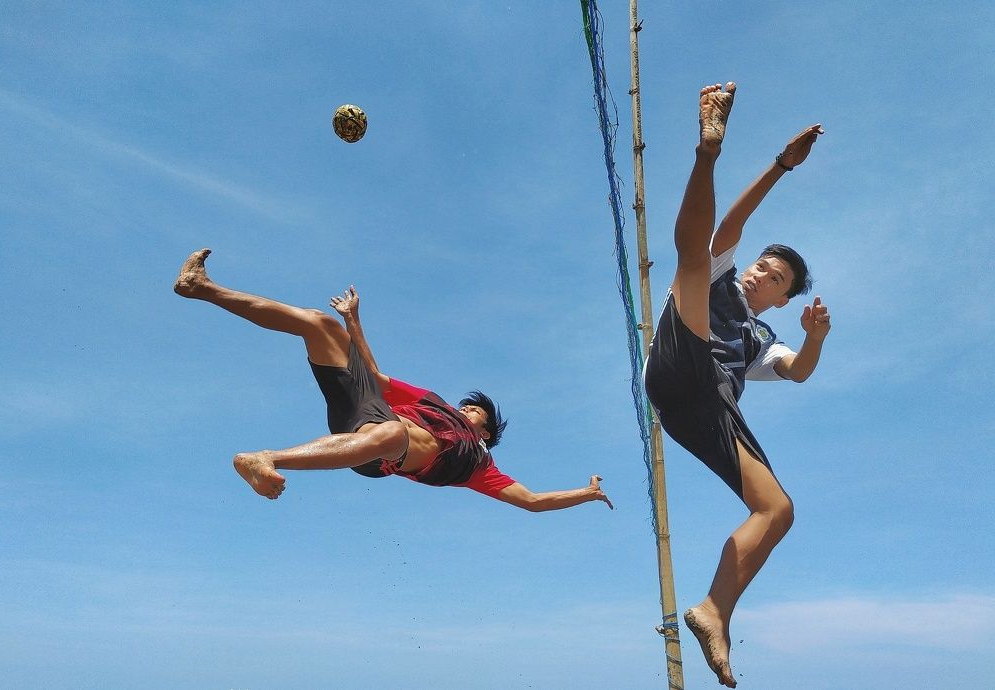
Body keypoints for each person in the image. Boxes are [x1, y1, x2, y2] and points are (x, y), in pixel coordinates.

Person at [174, 249, 613, 512]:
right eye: (466, 406)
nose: (464, 410)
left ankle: (265, 458)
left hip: (381, 450)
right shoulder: (432, 402)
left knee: (395, 432)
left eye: (475, 411)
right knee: (319, 324)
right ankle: (202, 287)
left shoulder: (480, 464)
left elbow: (534, 501)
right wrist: (353, 321)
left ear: (487, 431)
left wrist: (586, 493)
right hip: (368, 412)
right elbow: (377, 377)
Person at [643, 83, 830, 687]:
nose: (758, 273)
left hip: (706, 408)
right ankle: (708, 148)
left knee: (778, 509)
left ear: (782, 295)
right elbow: (729, 226)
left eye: (772, 276)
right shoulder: (725, 274)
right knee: (695, 257)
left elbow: (797, 371)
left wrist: (815, 337)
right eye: (761, 264)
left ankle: (714, 610)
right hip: (677, 362)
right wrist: (780, 164)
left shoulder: (762, 338)